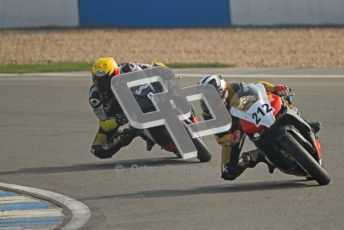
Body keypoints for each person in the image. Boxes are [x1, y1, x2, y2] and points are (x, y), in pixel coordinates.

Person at [198, 74, 321, 180]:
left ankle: (303, 124)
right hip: (235, 131)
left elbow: (257, 86)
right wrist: (230, 137)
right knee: (228, 171)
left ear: (221, 92)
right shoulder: (208, 113)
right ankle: (259, 155)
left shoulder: (233, 88)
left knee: (280, 97)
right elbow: (219, 137)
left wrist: (274, 88)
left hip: (250, 113)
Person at [89, 57, 164, 159]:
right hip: (121, 113)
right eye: (98, 81)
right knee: (98, 149)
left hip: (145, 97)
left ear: (115, 74)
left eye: (106, 80)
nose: (103, 85)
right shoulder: (95, 97)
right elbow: (104, 123)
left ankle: (188, 114)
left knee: (160, 67)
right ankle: (130, 133)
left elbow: (147, 80)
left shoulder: (128, 69)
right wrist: (119, 119)